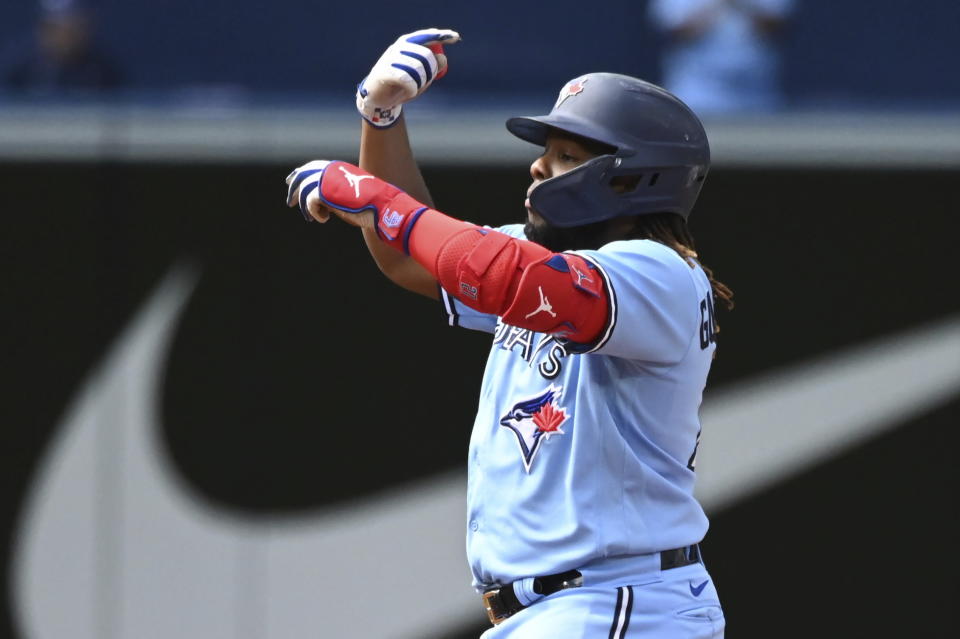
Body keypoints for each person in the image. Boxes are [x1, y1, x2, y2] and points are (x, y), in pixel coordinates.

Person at [285, 29, 733, 638]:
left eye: (568, 156)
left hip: (618, 599)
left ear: (632, 179)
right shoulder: (548, 258)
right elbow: (413, 259)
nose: (539, 166)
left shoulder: (660, 272)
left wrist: (377, 201)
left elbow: (499, 275)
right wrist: (381, 119)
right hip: (565, 607)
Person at [648, 0, 794, 114]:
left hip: (756, 91)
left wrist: (742, 4)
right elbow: (678, 31)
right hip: (699, 91)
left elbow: (778, 26)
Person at [2, 0, 124, 93]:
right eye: (55, 28)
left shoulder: (102, 71)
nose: (63, 35)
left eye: (70, 29)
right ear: (42, 29)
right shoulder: (21, 69)